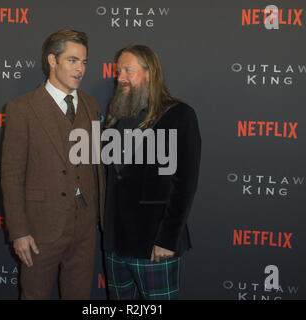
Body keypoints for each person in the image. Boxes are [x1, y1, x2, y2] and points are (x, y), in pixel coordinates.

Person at [0, 29, 105, 300]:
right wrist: (19, 231)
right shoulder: (21, 109)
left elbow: (94, 166)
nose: (80, 68)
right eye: (72, 60)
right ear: (52, 60)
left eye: (84, 62)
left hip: (83, 229)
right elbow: (11, 175)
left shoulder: (91, 105)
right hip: (40, 229)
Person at [103, 44, 201, 300]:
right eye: (118, 70)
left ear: (149, 73)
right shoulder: (115, 115)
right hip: (115, 245)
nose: (119, 77)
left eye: (127, 70)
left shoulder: (179, 115)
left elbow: (185, 186)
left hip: (154, 245)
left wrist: (168, 239)